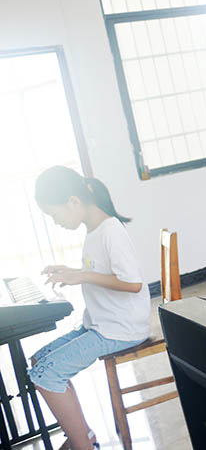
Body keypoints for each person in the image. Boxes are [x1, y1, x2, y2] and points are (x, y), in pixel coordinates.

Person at [28, 166, 151, 450]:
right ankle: (83, 435)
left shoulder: (111, 231)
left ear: (73, 202)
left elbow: (132, 283)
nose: (56, 222)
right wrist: (72, 271)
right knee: (40, 362)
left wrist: (80, 275)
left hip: (121, 329)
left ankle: (82, 444)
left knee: (46, 375)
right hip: (102, 324)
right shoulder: (95, 231)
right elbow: (101, 274)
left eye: (55, 215)